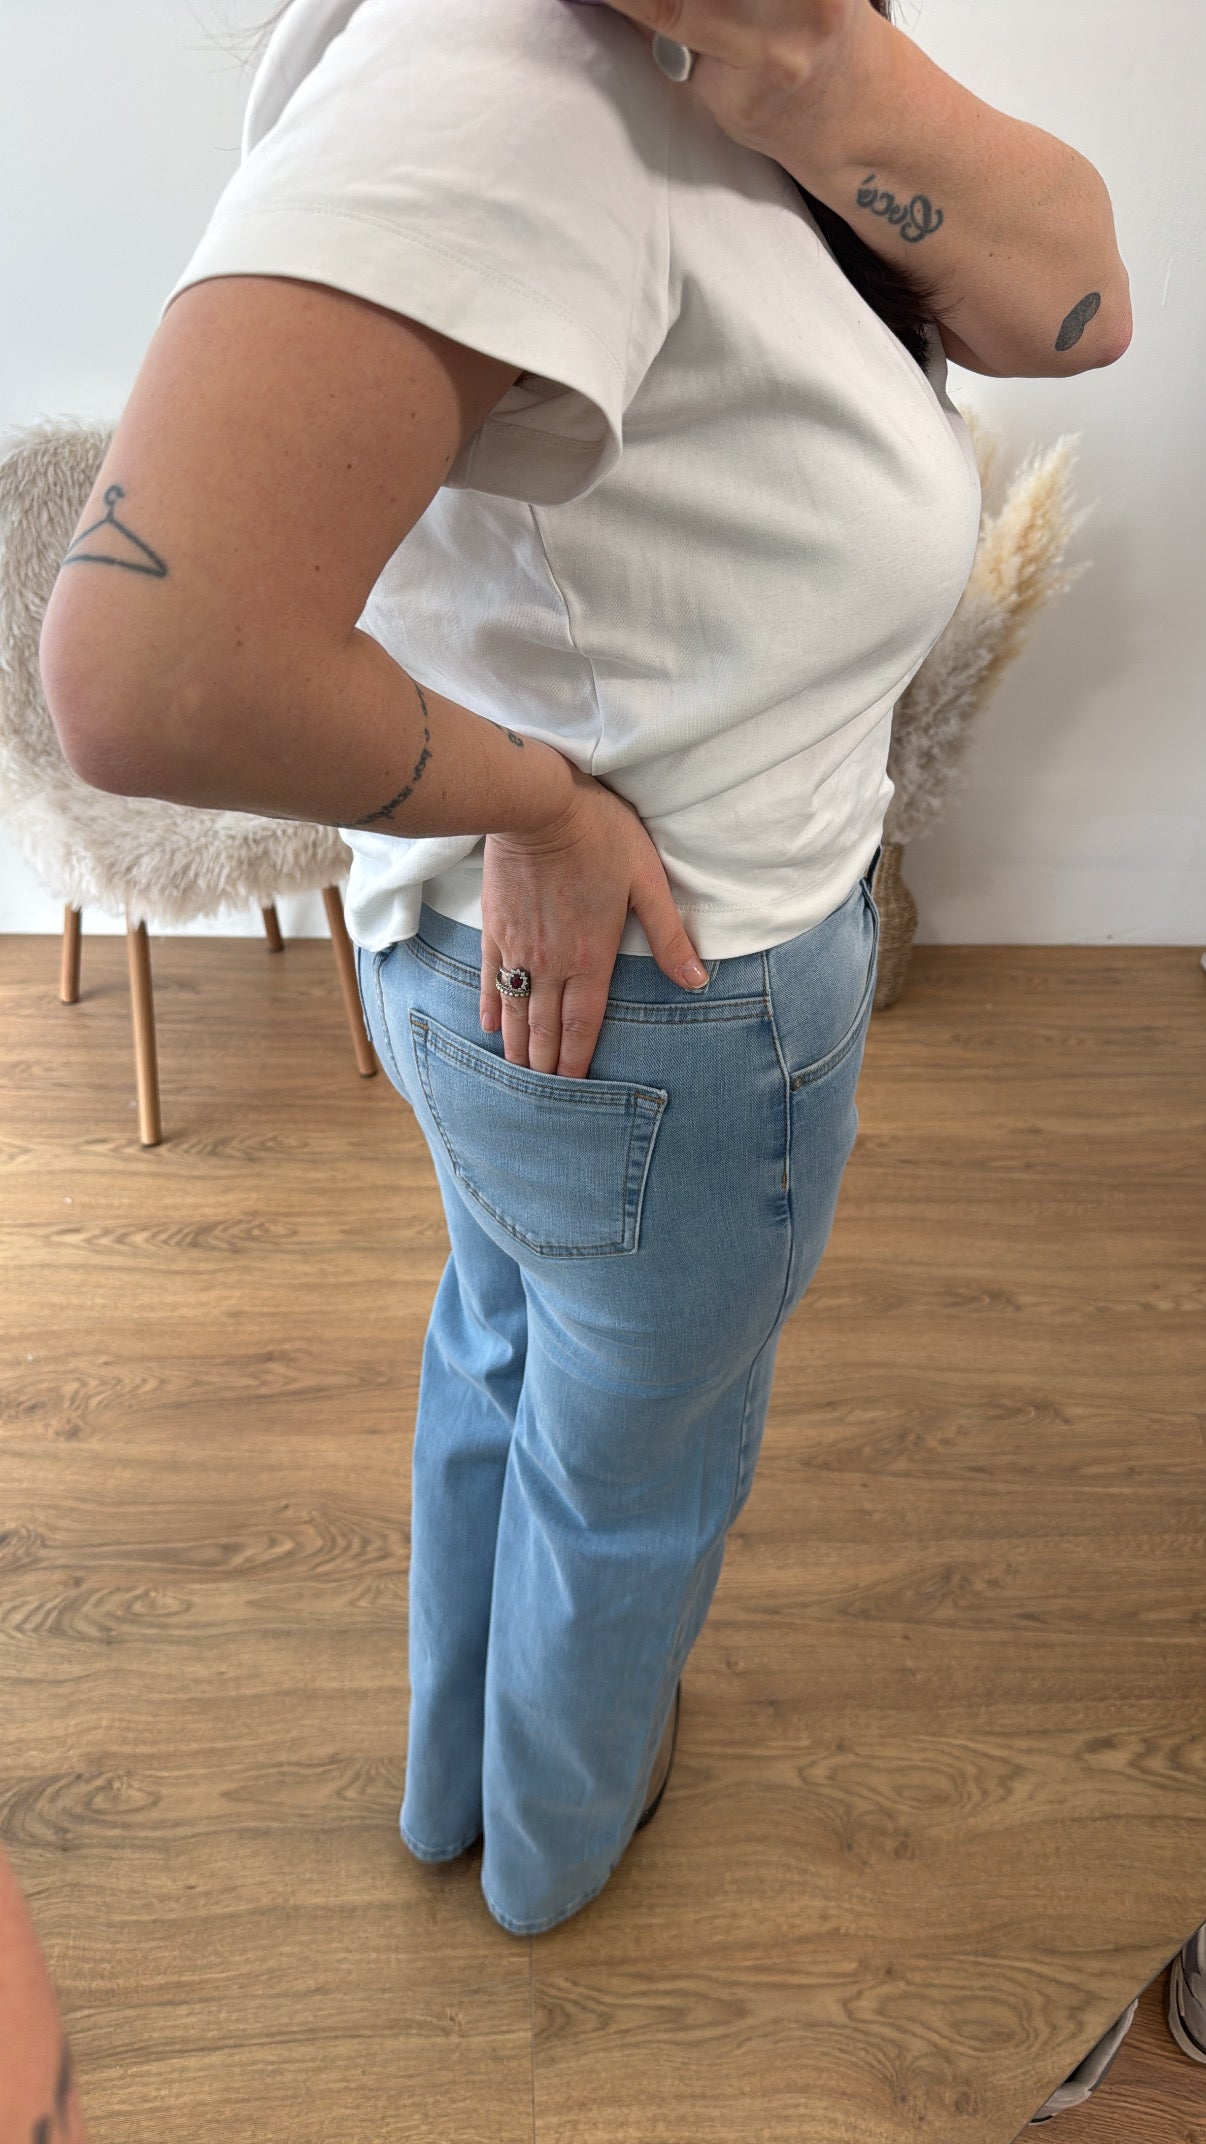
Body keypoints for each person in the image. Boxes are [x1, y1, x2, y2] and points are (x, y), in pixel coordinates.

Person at [39, 0, 1131, 2020]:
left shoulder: (744, 56)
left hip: (520, 998)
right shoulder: (504, 78)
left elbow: (1079, 304)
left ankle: (454, 1795)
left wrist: (815, 64)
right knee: (637, 1469)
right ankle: (554, 1847)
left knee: (507, 1344)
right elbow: (147, 669)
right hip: (671, 1004)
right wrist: (534, 798)